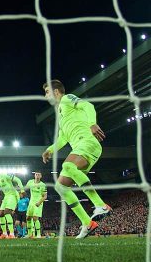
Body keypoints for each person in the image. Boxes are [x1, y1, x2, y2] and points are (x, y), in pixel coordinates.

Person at [43, 80, 111, 239]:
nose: (45, 95)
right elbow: (62, 139)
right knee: (60, 187)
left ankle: (101, 205)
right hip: (81, 148)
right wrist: (50, 150)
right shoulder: (61, 113)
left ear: (57, 92)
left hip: (88, 142)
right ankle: (88, 223)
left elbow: (88, 106)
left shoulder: (67, 99)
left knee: (67, 166)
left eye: (47, 91)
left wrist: (92, 124)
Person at [0, 163, 24, 239]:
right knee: (1, 215)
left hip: (13, 195)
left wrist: (22, 190)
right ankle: (4, 234)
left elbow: (18, 180)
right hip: (6, 196)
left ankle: (12, 234)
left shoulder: (5, 175)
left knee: (7, 213)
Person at [26, 172, 47, 238]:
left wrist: (39, 202)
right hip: (31, 203)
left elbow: (45, 196)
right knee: (28, 218)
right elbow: (25, 188)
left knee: (35, 218)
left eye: (39, 175)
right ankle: (29, 234)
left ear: (41, 176)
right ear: (34, 175)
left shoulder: (42, 185)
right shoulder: (30, 182)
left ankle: (38, 234)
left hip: (38, 203)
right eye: (36, 174)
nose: (37, 176)